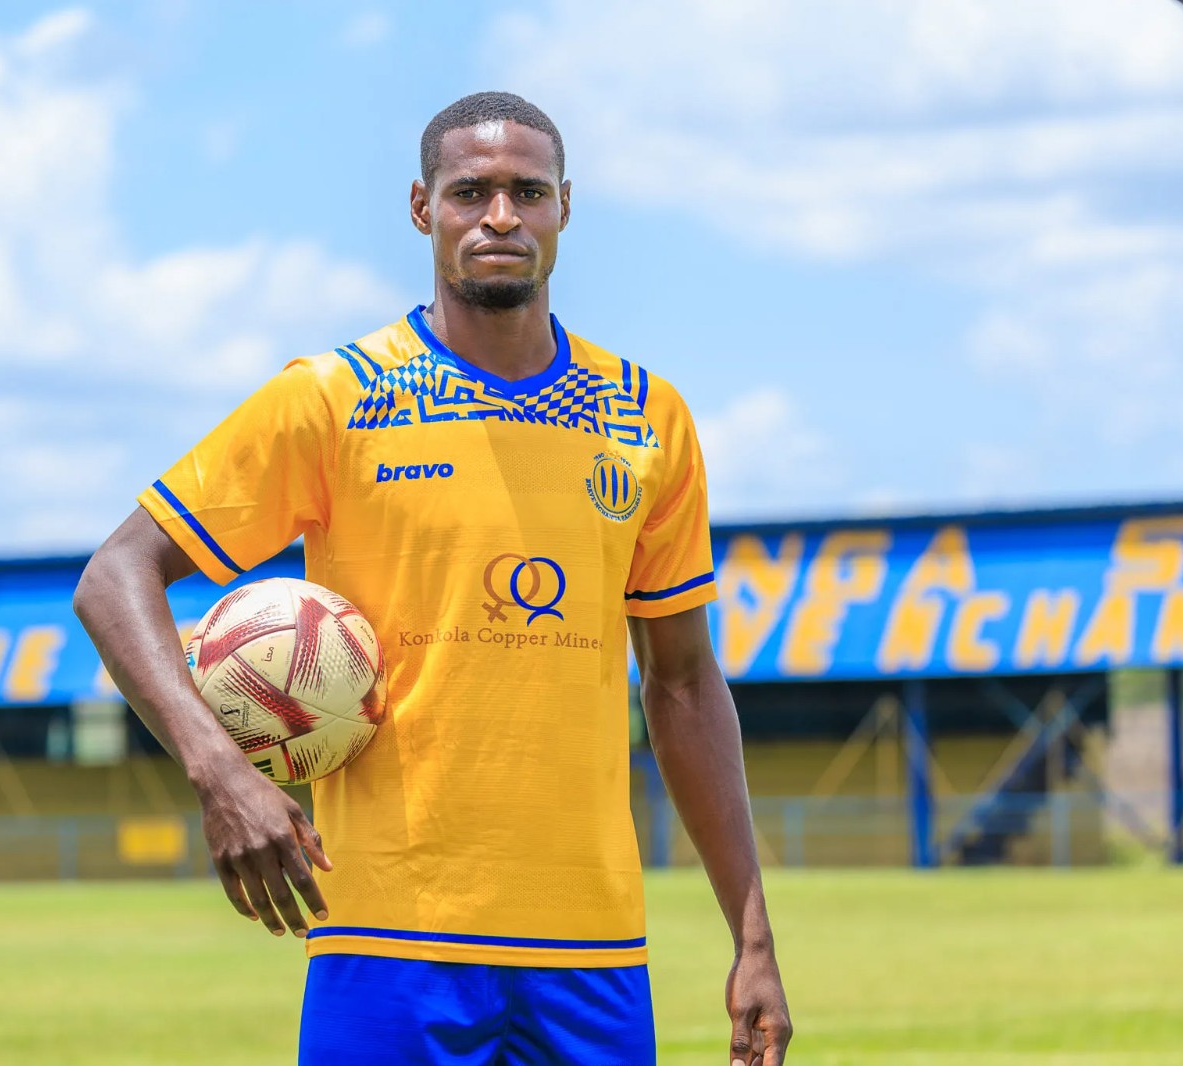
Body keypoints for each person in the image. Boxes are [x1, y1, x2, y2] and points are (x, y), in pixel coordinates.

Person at [74, 91, 791, 1066]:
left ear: (564, 207)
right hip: (387, 938)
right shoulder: (334, 398)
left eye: (527, 192)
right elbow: (115, 576)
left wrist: (752, 938)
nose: (500, 216)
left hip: (594, 951)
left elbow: (684, 684)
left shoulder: (646, 417)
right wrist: (220, 772)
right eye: (470, 192)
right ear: (423, 208)